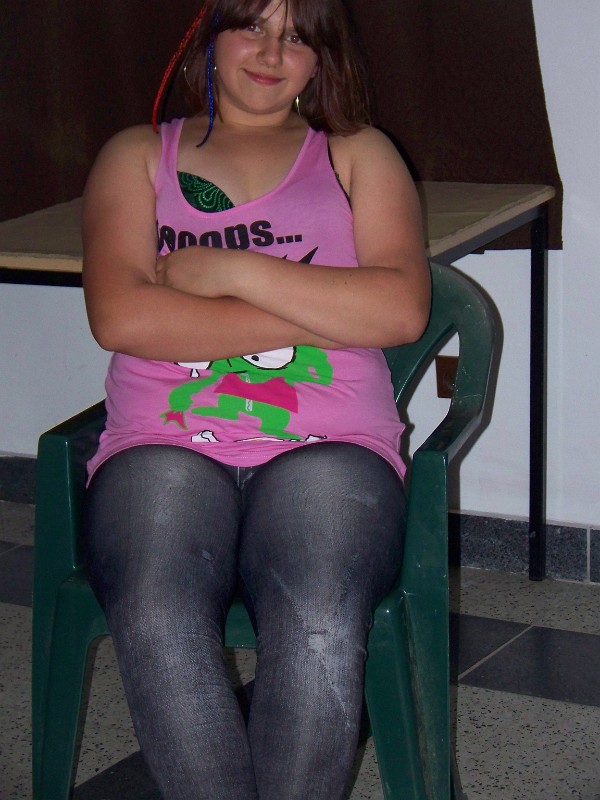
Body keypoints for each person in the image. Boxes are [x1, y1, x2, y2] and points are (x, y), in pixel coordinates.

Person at [81, 0, 430, 797]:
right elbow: (123, 319)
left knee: (319, 613)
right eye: (253, 27)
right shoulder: (138, 155)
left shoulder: (356, 153)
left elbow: (400, 310)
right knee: (155, 609)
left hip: (333, 446)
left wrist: (229, 272)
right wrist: (323, 309)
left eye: (298, 37)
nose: (273, 53)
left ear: (321, 60)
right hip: (159, 443)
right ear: (207, 38)